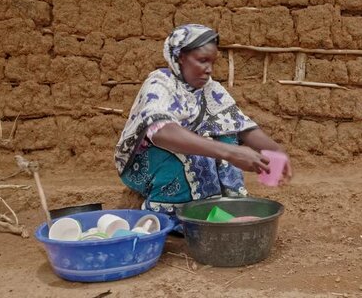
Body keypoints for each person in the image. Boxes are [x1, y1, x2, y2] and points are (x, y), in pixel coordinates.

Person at [114, 24, 292, 217]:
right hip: (148, 163)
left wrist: (276, 151)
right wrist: (231, 153)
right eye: (202, 61)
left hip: (185, 156)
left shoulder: (209, 88)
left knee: (225, 133)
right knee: (200, 154)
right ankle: (173, 216)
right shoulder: (159, 84)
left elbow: (240, 125)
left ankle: (227, 205)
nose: (209, 70)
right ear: (181, 57)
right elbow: (163, 132)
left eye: (212, 62)